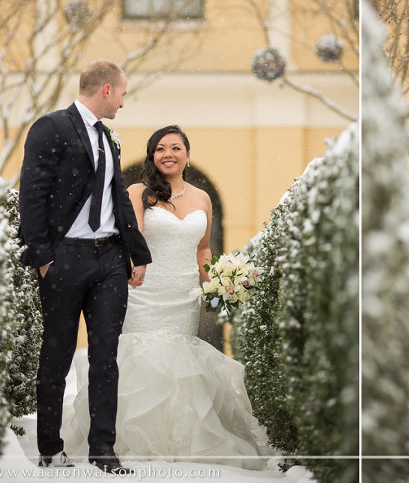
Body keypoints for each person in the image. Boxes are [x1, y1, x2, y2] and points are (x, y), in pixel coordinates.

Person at [61, 125, 266, 468]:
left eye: (175, 147)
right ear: (152, 156)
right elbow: (132, 236)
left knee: (180, 358)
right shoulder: (139, 191)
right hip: (145, 288)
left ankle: (181, 439)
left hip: (184, 291)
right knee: (142, 353)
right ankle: (130, 439)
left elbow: (202, 249)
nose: (167, 154)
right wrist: (133, 267)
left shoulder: (202, 198)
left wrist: (219, 279)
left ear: (187, 153)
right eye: (160, 149)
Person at [18, 60, 151, 475]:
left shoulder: (107, 138)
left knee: (106, 358)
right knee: (56, 355)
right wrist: (43, 259)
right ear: (107, 90)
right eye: (124, 94)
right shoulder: (51, 127)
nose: (125, 104)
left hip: (109, 260)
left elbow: (117, 200)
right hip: (64, 259)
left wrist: (136, 253)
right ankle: (50, 449)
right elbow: (33, 195)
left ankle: (103, 451)